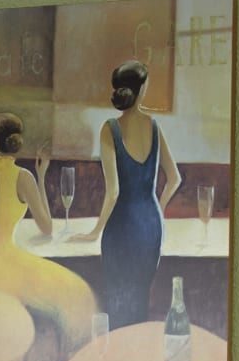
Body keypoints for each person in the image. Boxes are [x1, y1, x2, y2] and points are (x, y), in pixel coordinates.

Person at [0, 111, 96, 350]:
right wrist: (41, 177)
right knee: (77, 292)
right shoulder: (24, 177)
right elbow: (47, 228)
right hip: (9, 271)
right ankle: (70, 352)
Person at [72, 58, 181, 327]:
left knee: (118, 302)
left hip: (121, 227)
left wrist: (95, 231)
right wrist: (157, 209)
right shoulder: (154, 126)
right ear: (140, 90)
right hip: (150, 226)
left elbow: (113, 192)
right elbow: (175, 179)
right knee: (140, 300)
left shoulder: (110, 129)